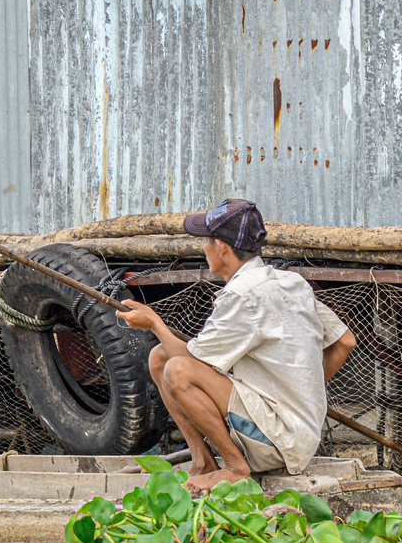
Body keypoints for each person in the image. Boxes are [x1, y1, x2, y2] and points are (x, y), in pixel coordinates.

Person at [117, 198, 357, 494]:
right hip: (297, 435)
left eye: (206, 241)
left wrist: (154, 323)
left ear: (221, 247)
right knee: (159, 357)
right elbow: (345, 341)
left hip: (276, 439)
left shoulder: (242, 295)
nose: (203, 248)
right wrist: (303, 389)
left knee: (177, 369)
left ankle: (235, 467)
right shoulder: (292, 283)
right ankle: (203, 461)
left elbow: (192, 366)